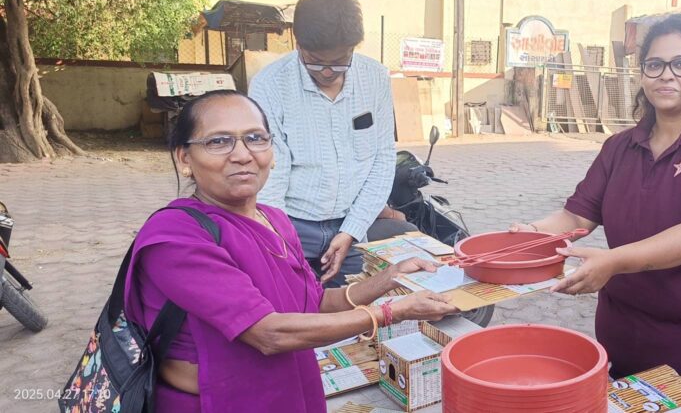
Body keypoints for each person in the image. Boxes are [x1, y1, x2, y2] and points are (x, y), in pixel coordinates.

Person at [125, 90, 458, 412]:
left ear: (271, 152)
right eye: (218, 141)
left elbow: (314, 304)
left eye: (255, 138)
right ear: (184, 157)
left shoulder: (275, 220)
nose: (242, 155)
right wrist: (392, 312)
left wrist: (389, 278)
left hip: (287, 394)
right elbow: (269, 333)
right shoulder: (175, 235)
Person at [512, 15, 681, 399]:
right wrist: (530, 235)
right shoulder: (620, 146)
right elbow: (577, 215)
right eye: (655, 65)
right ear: (642, 73)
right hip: (624, 345)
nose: (667, 75)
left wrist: (613, 262)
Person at [250, 0, 414, 287]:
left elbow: (381, 159)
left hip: (350, 224)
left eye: (339, 61)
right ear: (298, 44)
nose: (327, 71)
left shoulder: (375, 78)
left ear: (353, 47)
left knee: (353, 305)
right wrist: (281, 237)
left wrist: (351, 230)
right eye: (315, 61)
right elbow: (270, 170)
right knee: (296, 305)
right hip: (291, 223)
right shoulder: (270, 84)